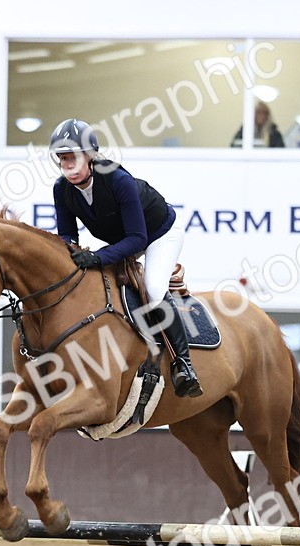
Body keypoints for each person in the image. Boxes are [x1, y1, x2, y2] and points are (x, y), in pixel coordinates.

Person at [49, 118, 202, 398]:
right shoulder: (62, 189)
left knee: (154, 289)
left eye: (72, 156)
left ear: (90, 155)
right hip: (125, 239)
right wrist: (71, 253)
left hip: (159, 233)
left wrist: (97, 257)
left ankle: (184, 365)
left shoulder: (118, 180)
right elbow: (66, 236)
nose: (66, 163)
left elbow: (138, 239)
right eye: (61, 157)